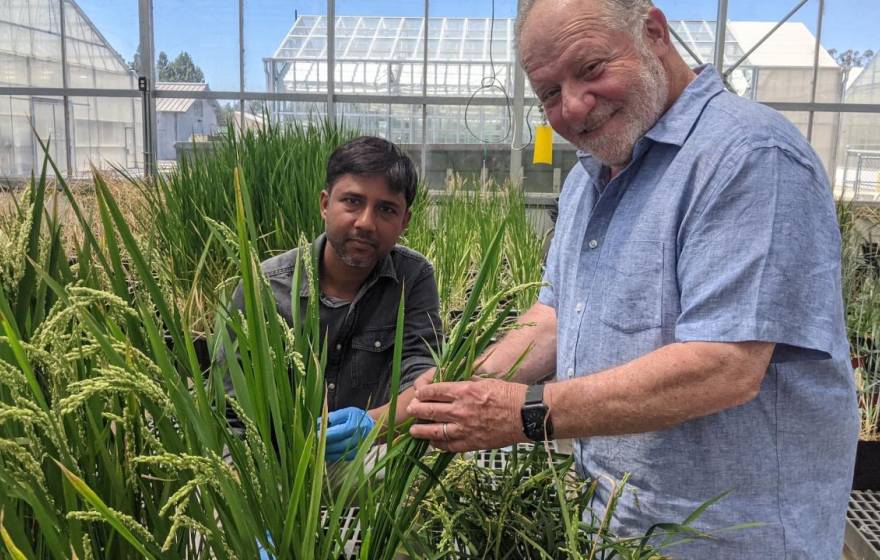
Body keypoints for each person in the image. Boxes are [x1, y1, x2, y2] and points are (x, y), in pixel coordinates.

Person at [405, 1, 859, 558]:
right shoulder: (588, 180)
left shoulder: (747, 155)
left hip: (731, 540)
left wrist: (520, 412)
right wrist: (452, 392)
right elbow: (553, 319)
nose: (572, 107)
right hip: (616, 528)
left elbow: (725, 366)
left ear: (653, 32)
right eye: (549, 93)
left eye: (591, 68)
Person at [224, 135, 441, 461]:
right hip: (280, 463)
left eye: (386, 209)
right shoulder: (264, 286)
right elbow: (232, 408)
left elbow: (424, 381)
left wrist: (372, 424)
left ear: (404, 222)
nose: (366, 223)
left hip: (373, 455)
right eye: (352, 202)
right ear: (325, 204)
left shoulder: (413, 278)